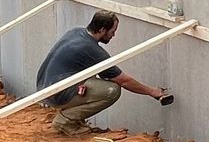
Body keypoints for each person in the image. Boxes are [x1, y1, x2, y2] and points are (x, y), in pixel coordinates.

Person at [36, 9, 172, 134]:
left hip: (44, 86)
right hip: (57, 94)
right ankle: (66, 121)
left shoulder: (75, 32)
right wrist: (152, 91)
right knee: (112, 90)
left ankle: (73, 116)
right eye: (112, 31)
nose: (114, 35)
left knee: (92, 74)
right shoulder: (92, 50)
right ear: (102, 30)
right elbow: (124, 81)